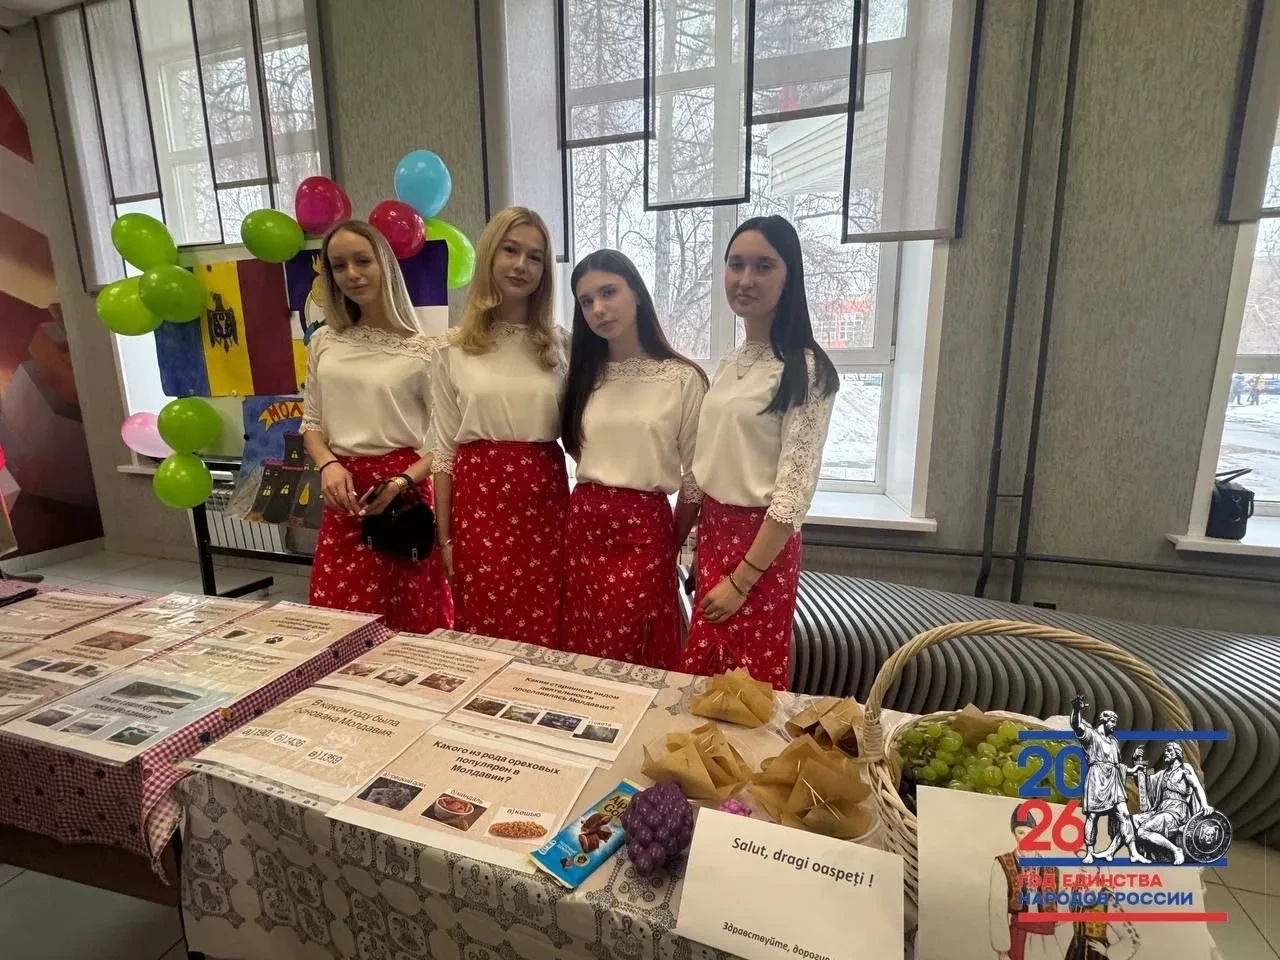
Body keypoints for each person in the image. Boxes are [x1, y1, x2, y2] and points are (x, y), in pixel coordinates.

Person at [682, 215, 839, 690]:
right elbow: (706, 463)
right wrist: (686, 547)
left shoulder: (807, 369)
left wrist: (741, 581)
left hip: (760, 550)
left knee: (746, 686)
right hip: (714, 536)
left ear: (789, 276)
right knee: (700, 679)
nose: (745, 279)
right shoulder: (730, 362)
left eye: (763, 266)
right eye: (736, 265)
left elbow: (792, 497)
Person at [559, 249, 708, 669]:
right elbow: (577, 444)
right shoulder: (584, 376)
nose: (598, 308)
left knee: (636, 648)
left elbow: (696, 477)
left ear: (637, 294)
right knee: (583, 646)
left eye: (609, 292)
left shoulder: (682, 378)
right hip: (584, 525)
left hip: (646, 528)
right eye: (586, 301)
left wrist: (670, 541)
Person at [301, 220, 452, 632]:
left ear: (384, 264)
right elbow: (311, 422)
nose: (352, 274)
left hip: (400, 495)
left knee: (409, 621)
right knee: (336, 620)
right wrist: (328, 465)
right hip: (343, 495)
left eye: (362, 261)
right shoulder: (324, 342)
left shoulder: (426, 352)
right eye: (339, 265)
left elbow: (446, 442)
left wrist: (403, 481)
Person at [430, 207, 568, 646]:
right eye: (510, 250)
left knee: (547, 626)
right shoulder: (451, 349)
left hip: (545, 505)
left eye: (535, 256)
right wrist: (446, 539)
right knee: (483, 630)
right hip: (479, 507)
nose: (521, 265)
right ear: (490, 255)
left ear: (545, 270)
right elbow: (443, 453)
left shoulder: (561, 346)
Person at [1069, 696, 1149, 864]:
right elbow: (1076, 725)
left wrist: (1131, 770)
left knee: (1125, 815)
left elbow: (1117, 765)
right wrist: (1076, 709)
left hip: (1114, 780)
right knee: (1092, 817)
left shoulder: (1113, 742)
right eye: (1112, 722)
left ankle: (1133, 852)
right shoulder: (1091, 735)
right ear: (1104, 721)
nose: (1114, 725)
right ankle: (1089, 851)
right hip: (1097, 778)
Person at [988, 806, 1065, 960]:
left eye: (1030, 833)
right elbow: (997, 907)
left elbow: (1062, 909)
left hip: (1047, 939)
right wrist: (1002, 950)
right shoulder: (1003, 863)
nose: (1026, 837)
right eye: (1021, 832)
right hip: (1019, 935)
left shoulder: (1052, 868)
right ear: (1013, 834)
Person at [1128, 742, 1212, 864]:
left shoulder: (1185, 769)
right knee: (1131, 820)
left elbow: (1197, 786)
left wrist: (1204, 805)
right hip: (1161, 809)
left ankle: (1176, 850)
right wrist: (1136, 762)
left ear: (1177, 753)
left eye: (1169, 751)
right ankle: (1140, 853)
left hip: (1177, 811)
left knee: (1142, 831)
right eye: (1165, 751)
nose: (1166, 753)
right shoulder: (1163, 774)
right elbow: (1143, 784)